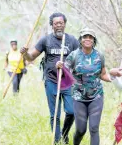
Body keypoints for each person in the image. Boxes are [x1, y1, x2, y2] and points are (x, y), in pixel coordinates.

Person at [21, 12, 79, 144]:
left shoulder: (72, 41)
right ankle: (57, 141)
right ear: (52, 25)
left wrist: (68, 66)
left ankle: (64, 134)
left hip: (68, 82)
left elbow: (80, 59)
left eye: (61, 23)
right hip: (52, 81)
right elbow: (31, 57)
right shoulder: (45, 40)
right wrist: (25, 54)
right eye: (56, 23)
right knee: (55, 115)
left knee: (71, 112)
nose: (59, 25)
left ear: (65, 24)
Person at [56, 27, 112, 145]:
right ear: (81, 39)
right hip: (78, 97)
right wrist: (59, 66)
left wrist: (115, 79)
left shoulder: (99, 56)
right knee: (81, 130)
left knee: (94, 128)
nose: (88, 39)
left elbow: (103, 74)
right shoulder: (74, 55)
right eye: (85, 37)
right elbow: (64, 73)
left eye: (90, 37)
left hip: (96, 96)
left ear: (94, 40)